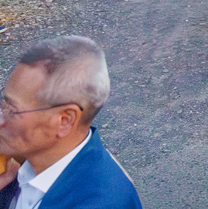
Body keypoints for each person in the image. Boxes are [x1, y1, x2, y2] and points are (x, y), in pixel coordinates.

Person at [0, 36, 142, 208]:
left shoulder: (99, 203)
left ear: (64, 121)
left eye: (12, 110)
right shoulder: (32, 156)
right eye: (3, 105)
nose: (1, 120)